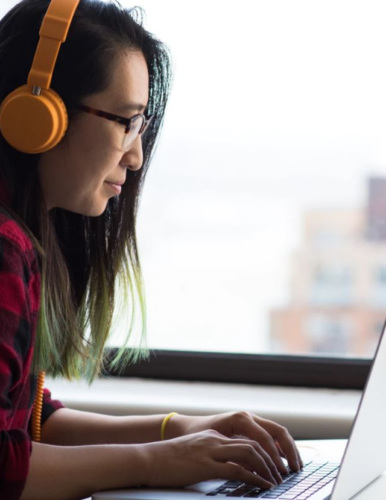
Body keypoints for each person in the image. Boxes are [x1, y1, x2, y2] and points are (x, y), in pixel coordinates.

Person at [0, 0, 303, 499]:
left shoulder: (22, 240)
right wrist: (155, 461)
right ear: (39, 113)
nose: (137, 156)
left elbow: (31, 420)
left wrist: (176, 430)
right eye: (126, 121)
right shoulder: (3, 251)